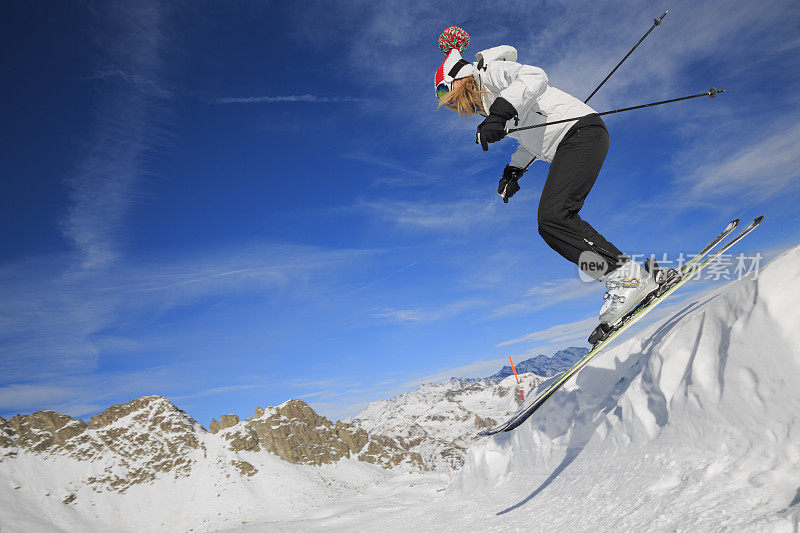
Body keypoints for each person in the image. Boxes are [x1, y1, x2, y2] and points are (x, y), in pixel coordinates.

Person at [434, 26, 657, 326]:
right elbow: (529, 141)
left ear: (458, 83)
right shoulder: (495, 103)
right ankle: (627, 275)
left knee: (554, 218)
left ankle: (624, 277)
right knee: (551, 224)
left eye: (452, 100)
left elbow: (535, 77)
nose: (459, 109)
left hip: (579, 133)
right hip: (571, 141)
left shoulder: (490, 73)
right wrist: (512, 171)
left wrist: (499, 114)